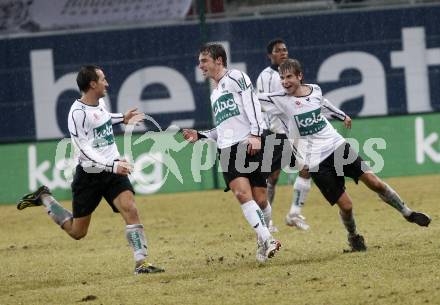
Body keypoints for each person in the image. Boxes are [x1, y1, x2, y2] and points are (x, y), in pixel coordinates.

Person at [258, 58, 431, 252]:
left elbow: (323, 104)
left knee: (374, 182)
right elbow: (252, 100)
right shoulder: (278, 99)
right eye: (282, 78)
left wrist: (342, 115)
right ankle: (353, 236)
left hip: (336, 145)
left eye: (289, 76)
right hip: (316, 161)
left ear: (300, 76)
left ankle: (408, 213)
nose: (284, 81)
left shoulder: (314, 90)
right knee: (347, 206)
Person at [17, 65, 164, 275]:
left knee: (130, 208)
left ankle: (141, 263)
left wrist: (122, 118)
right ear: (92, 84)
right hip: (89, 176)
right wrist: (113, 165)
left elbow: (102, 119)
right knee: (78, 232)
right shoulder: (76, 113)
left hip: (112, 170)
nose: (107, 83)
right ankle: (45, 198)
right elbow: (84, 150)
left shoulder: (100, 103)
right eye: (103, 79)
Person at [182, 43, 281, 262]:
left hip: (250, 142)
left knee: (261, 199)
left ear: (219, 60)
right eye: (200, 62)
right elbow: (223, 127)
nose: (200, 66)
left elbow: (253, 105)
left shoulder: (237, 77)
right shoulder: (214, 93)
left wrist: (255, 134)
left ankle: (262, 239)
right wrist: (201, 135)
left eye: (204, 61)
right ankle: (268, 239)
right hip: (228, 150)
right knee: (241, 194)